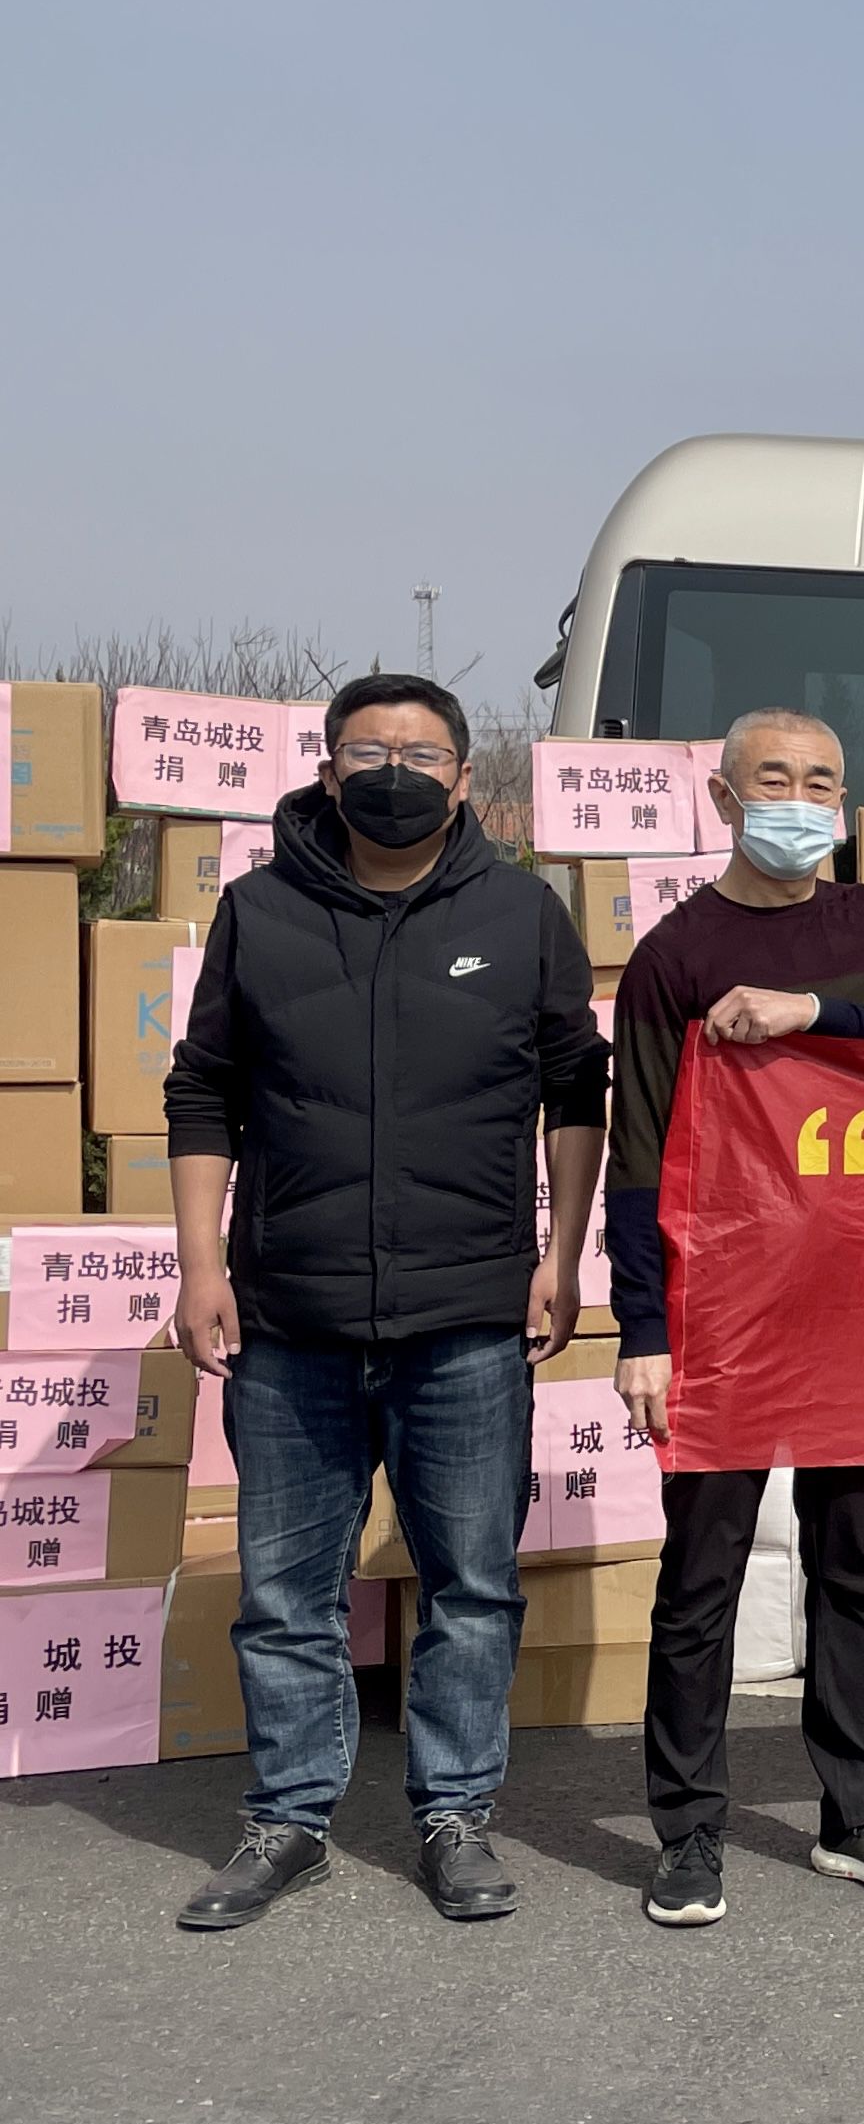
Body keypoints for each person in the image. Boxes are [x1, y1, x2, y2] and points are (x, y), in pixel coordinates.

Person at [163, 675, 609, 1931]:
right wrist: (200, 1265)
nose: (395, 772)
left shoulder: (522, 913)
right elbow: (202, 1090)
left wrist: (563, 1253)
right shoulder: (260, 911)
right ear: (328, 770)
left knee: (470, 1583)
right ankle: (288, 1819)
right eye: (370, 751)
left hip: (466, 1316)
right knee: (284, 1592)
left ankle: (454, 1812)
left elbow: (577, 1087)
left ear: (465, 779)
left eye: (422, 753)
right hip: (290, 1318)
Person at [605, 708, 864, 1929]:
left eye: (822, 781)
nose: (800, 800)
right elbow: (638, 1156)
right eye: (775, 778)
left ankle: (858, 1814)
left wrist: (817, 1010)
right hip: (725, 1310)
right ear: (722, 798)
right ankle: (688, 1829)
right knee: (699, 1575)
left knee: (854, 1565)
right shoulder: (675, 954)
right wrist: (642, 1328)